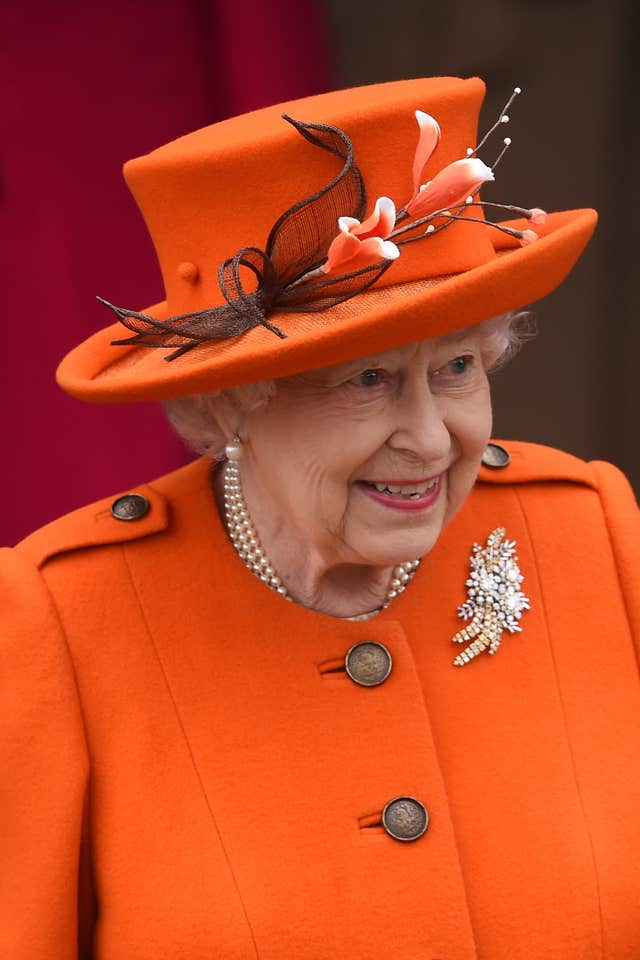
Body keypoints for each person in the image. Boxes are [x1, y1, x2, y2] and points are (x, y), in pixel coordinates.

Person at [2, 76, 639, 959]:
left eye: (456, 368)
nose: (428, 438)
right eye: (367, 380)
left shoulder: (593, 535)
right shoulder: (66, 624)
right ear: (231, 401)